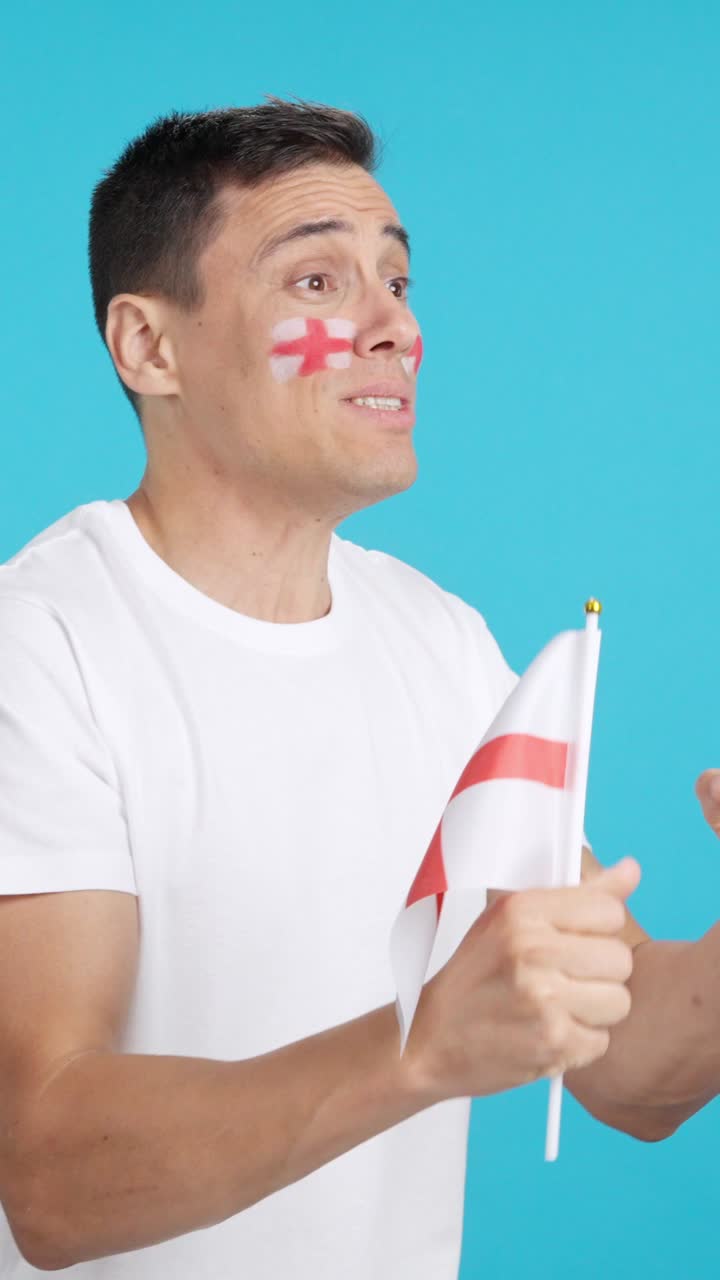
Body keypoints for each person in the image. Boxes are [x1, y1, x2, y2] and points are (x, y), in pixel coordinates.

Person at [0, 98, 718, 1280]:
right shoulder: (43, 647)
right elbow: (49, 1173)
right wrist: (416, 1053)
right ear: (150, 347)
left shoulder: (440, 642)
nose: (396, 325)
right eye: (319, 284)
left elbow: (633, 1067)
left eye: (396, 277)